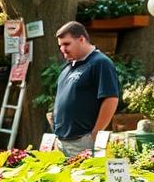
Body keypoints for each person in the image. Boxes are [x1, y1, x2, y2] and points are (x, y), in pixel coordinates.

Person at [51, 21, 120, 157]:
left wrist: (95, 133)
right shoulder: (68, 67)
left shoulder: (100, 63)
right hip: (61, 142)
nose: (62, 49)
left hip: (83, 142)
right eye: (60, 45)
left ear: (81, 39)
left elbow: (111, 98)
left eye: (67, 44)